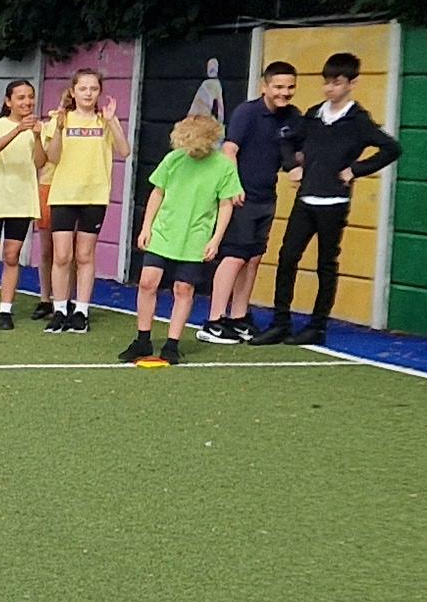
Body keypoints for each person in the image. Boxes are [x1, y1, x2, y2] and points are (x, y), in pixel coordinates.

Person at [256, 50, 400, 345]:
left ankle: (317, 326)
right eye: (327, 82)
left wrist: (356, 170)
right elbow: (286, 140)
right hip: (305, 200)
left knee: (326, 263)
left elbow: (391, 148)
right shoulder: (313, 115)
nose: (329, 88)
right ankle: (280, 321)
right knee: (287, 257)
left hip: (334, 203)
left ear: (352, 84)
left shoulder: (358, 121)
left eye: (336, 82)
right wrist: (292, 166)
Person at [122, 108, 242, 366]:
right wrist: (146, 227)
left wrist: (215, 240)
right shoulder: (173, 159)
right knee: (147, 282)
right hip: (164, 231)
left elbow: (226, 205)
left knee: (183, 288)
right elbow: (158, 192)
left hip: (195, 236)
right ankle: (142, 339)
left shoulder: (223, 166)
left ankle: (172, 344)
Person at [206, 60, 304, 343]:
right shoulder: (247, 112)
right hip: (241, 197)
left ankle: (238, 317)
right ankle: (214, 320)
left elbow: (294, 154)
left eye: (290, 87)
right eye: (278, 87)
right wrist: (234, 187)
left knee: (253, 257)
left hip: (266, 196)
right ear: (265, 86)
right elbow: (229, 150)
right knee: (234, 256)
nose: (284, 92)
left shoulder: (293, 116)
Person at [37, 68, 125, 332]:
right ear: (73, 92)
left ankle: (81, 311)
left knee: (85, 255)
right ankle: (59, 309)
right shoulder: (60, 119)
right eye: (83, 88)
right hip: (64, 194)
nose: (88, 93)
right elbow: (52, 157)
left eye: (93, 89)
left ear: (100, 92)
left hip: (94, 195)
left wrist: (112, 121)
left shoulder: (104, 120)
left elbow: (124, 150)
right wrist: (59, 128)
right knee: (62, 255)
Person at [0, 76, 47, 330]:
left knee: (12, 256)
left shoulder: (37, 128)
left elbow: (40, 162)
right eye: (21, 97)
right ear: (9, 101)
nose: (27, 102)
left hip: (22, 199)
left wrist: (37, 136)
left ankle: (6, 309)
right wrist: (18, 130)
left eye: (30, 97)